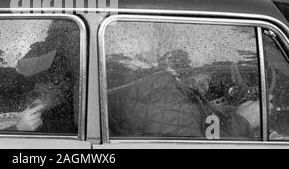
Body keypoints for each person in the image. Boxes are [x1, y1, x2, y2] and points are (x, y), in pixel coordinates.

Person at [108, 70, 262, 139]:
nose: (205, 86)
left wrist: (234, 111)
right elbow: (204, 144)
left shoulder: (166, 92)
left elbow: (200, 115)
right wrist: (244, 120)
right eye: (202, 76)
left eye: (208, 81)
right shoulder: (167, 100)